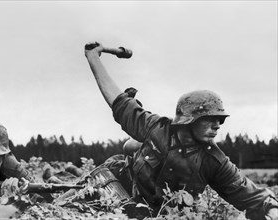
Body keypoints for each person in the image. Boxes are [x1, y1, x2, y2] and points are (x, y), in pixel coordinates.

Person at [84, 42, 278, 220]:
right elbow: (118, 102)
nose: (217, 125)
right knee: (68, 198)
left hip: (160, 214)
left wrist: (271, 208)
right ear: (188, 120)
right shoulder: (156, 127)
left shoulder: (213, 161)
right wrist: (93, 58)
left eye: (219, 120)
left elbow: (248, 193)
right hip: (116, 185)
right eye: (209, 119)